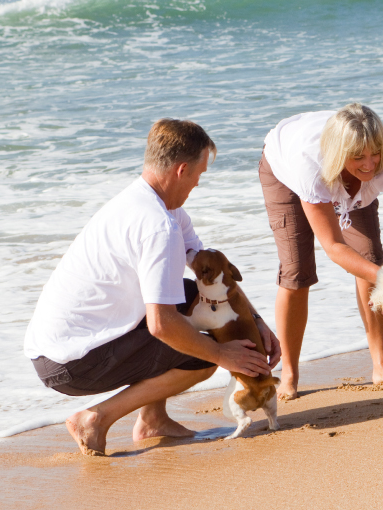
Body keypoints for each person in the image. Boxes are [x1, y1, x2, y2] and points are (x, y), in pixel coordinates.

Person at [24, 119, 281, 456]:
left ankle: (153, 420)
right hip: (72, 363)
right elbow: (161, 325)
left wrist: (257, 320)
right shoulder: (159, 226)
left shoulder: (152, 206)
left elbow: (212, 275)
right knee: (200, 356)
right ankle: (95, 419)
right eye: (199, 175)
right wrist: (222, 354)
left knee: (190, 295)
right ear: (182, 170)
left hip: (58, 347)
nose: (198, 184)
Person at [259, 103, 383, 400]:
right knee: (297, 272)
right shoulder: (308, 167)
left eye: (374, 153)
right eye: (358, 157)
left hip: (334, 167)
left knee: (370, 258)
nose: (369, 164)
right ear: (341, 154)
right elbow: (334, 246)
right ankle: (288, 373)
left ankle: (381, 365)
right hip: (283, 171)